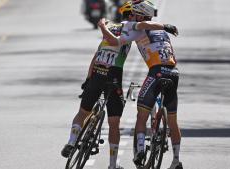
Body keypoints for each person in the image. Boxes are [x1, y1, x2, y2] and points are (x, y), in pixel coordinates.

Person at [61, 2, 177, 169]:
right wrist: (165, 26)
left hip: (97, 70)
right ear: (131, 15)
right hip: (114, 73)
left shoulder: (108, 23)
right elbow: (139, 27)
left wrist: (88, 78)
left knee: (83, 112)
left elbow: (96, 54)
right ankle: (113, 165)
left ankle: (72, 142)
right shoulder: (132, 27)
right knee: (114, 122)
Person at [97, 0, 183, 169]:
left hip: (156, 73)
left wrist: (163, 25)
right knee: (173, 120)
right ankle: (176, 160)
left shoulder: (137, 26)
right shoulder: (162, 33)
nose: (132, 16)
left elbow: (141, 24)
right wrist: (164, 27)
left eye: (135, 13)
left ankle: (141, 152)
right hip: (174, 73)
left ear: (140, 15)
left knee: (141, 115)